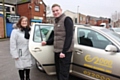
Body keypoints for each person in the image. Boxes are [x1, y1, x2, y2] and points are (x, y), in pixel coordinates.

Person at [42, 4, 74, 80]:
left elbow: (69, 36)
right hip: (57, 51)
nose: (55, 12)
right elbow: (55, 36)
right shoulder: (56, 21)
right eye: (53, 11)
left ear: (61, 10)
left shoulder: (67, 19)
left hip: (64, 52)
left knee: (63, 74)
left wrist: (64, 51)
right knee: (58, 72)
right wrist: (47, 42)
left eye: (57, 10)